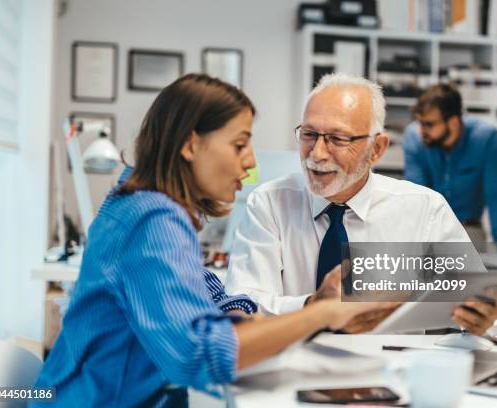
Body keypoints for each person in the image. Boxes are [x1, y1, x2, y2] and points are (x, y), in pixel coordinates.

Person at [31, 74, 393, 407]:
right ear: (191, 144)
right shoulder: (151, 217)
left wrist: (252, 315)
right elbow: (198, 355)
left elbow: (210, 297)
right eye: (240, 145)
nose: (250, 163)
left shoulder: (141, 204)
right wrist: (321, 313)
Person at [226, 73, 497, 336]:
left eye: (337, 138)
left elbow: (494, 312)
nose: (317, 153)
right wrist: (314, 306)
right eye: (309, 134)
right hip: (287, 371)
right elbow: (241, 306)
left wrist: (483, 315)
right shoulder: (269, 203)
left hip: (392, 377)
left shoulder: (424, 209)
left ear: (376, 149)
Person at [403, 83, 497, 247]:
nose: (421, 131)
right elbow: (417, 199)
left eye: (429, 124)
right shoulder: (414, 138)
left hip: (469, 229)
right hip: (428, 230)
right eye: (420, 123)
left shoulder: (487, 140)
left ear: (452, 122)